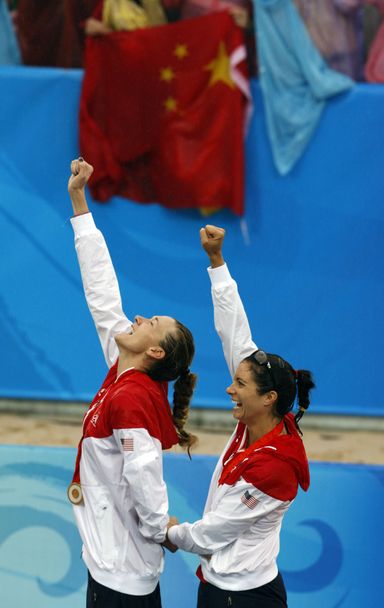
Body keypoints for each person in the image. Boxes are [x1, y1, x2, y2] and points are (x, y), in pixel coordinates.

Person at [67, 158, 197, 608]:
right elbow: (102, 293)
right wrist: (80, 203)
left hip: (121, 581)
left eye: (151, 322)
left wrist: (161, 527)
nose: (138, 316)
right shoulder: (124, 370)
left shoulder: (134, 399)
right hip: (107, 564)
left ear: (155, 351)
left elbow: (145, 474)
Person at [166, 225, 315, 608]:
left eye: (239, 385)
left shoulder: (274, 467)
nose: (231, 389)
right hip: (223, 587)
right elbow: (234, 332)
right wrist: (216, 262)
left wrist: (171, 532)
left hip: (241, 598)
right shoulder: (262, 417)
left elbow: (213, 534)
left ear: (268, 398)